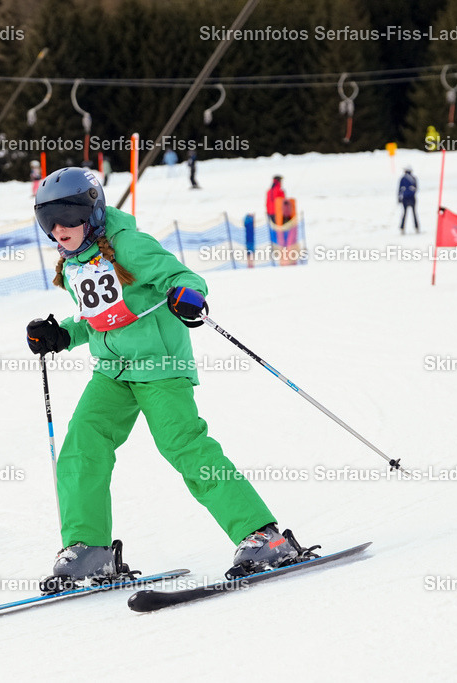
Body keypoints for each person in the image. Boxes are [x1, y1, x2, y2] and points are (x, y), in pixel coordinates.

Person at [26, 167, 302, 587]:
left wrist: (186, 296)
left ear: (94, 211)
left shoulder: (129, 245)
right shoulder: (76, 262)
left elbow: (184, 279)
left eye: (68, 215)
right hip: (113, 373)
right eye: (48, 220)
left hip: (159, 367)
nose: (59, 229)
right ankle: (89, 549)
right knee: (82, 446)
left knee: (185, 447)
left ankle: (261, 535)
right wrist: (63, 334)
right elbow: (98, 319)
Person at [398, 167, 418, 234]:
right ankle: (416, 227)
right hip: (412, 198)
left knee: (404, 214)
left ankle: (402, 228)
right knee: (414, 213)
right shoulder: (413, 178)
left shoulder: (403, 178)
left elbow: (399, 189)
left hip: (405, 198)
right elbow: (416, 188)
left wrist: (399, 198)